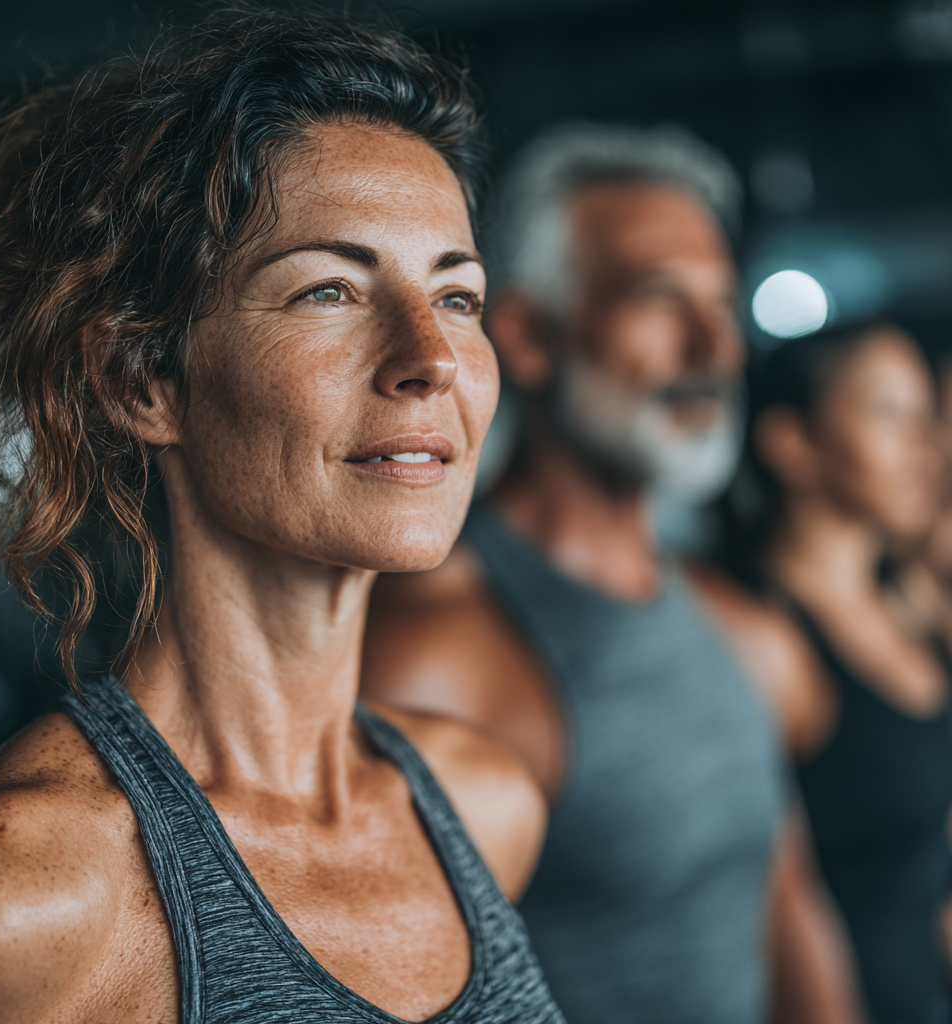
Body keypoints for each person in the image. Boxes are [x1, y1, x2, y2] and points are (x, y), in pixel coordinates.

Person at [0, 9, 566, 1023]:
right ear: (142, 379)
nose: (431, 358)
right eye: (328, 291)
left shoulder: (482, 806)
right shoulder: (13, 891)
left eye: (457, 297)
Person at [362, 122, 863, 1023]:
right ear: (530, 335)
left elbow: (789, 908)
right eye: (658, 299)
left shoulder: (734, 625)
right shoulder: (435, 654)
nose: (713, 344)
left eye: (721, 301)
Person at [733, 322, 952, 1024]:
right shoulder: (758, 639)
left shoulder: (912, 608)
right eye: (890, 413)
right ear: (792, 444)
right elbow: (770, 907)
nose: (924, 446)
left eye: (926, 417)